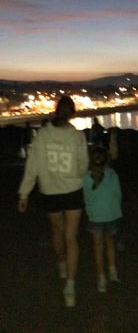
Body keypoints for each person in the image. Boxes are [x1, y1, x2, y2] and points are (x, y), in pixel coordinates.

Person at [18, 96, 89, 307]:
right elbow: (82, 166)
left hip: (49, 193)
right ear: (73, 114)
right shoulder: (77, 137)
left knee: (57, 233)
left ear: (56, 111)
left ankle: (61, 264)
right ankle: (70, 287)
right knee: (71, 237)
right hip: (72, 191)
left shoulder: (42, 135)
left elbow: (33, 165)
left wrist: (24, 194)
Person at [83, 146, 122, 293]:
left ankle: (101, 279)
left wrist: (90, 211)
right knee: (110, 242)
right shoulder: (113, 174)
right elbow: (118, 195)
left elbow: (86, 199)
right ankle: (113, 271)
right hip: (111, 214)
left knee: (98, 248)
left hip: (95, 217)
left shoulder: (87, 177)